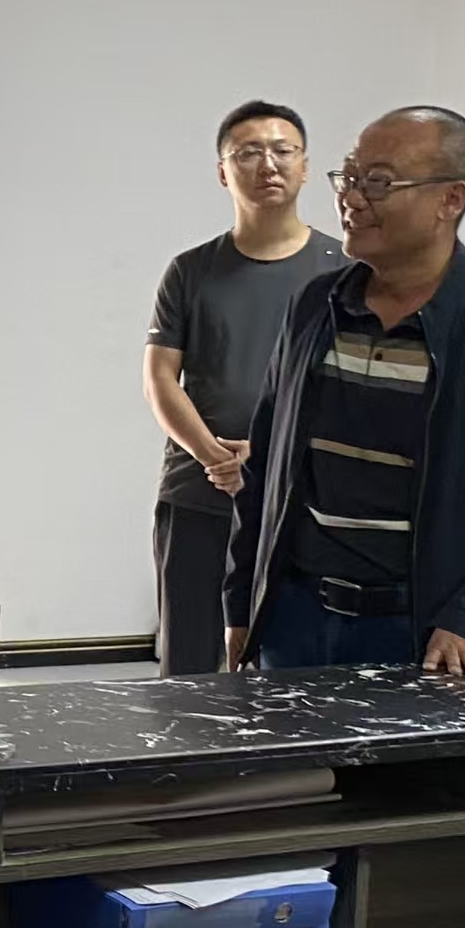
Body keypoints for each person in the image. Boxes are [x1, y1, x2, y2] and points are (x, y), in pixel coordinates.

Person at [224, 106, 465, 677]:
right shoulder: (314, 307)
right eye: (350, 177)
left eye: (379, 183)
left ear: (450, 200)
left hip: (436, 637)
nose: (352, 199)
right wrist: (243, 603)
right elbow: (265, 467)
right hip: (297, 623)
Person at [144, 101, 346, 676]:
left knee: (292, 660)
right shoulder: (190, 270)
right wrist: (215, 458)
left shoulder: (343, 269)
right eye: (249, 152)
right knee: (189, 658)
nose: (268, 164)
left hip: (303, 494)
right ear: (222, 171)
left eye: (283, 150)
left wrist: (266, 460)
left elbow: (347, 389)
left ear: (306, 167)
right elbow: (160, 378)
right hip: (198, 490)